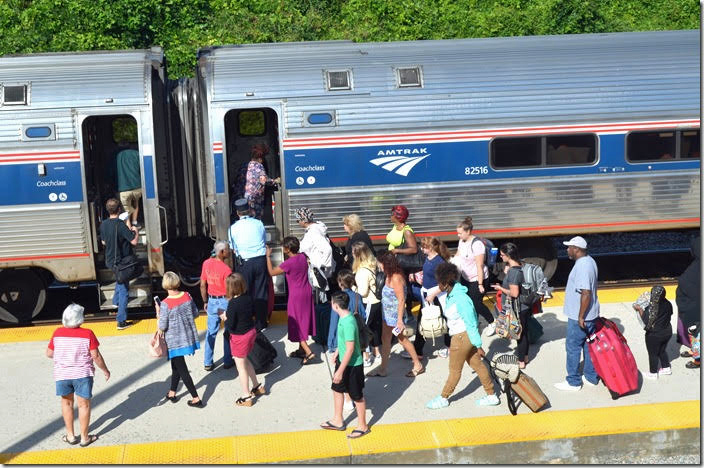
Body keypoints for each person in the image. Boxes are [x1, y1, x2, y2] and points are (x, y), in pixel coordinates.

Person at [426, 263, 499, 409]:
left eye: (439, 282)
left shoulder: (461, 299)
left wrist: (478, 345)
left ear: (446, 283)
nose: (437, 285)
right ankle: (491, 395)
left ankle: (444, 397)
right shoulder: (452, 293)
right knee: (478, 365)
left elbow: (472, 323)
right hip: (464, 337)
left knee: (454, 370)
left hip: (461, 338)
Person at [47, 303, 110, 447]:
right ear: (80, 319)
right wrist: (105, 370)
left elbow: (49, 353)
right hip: (82, 375)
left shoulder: (57, 333)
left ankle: (70, 436)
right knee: (84, 406)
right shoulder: (87, 333)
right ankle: (84, 438)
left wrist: (64, 356)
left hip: (63, 375)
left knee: (67, 403)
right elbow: (96, 356)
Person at [320, 291, 370, 439]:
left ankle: (363, 425)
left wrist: (340, 371)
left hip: (352, 365)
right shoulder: (343, 317)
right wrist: (336, 351)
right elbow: (343, 344)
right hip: (343, 361)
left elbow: (350, 349)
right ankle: (337, 420)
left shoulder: (348, 322)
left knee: (357, 395)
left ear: (335, 306)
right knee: (337, 389)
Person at [554, 236, 600, 391]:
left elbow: (586, 293)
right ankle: (590, 376)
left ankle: (573, 382)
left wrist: (580, 316)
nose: (567, 250)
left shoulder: (582, 266)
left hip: (580, 317)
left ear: (577, 249)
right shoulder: (590, 261)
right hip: (591, 315)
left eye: (569, 247)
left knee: (573, 348)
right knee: (589, 345)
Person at [367, 250, 424, 378]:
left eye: (380, 263)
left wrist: (399, 320)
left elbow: (402, 299)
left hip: (395, 317)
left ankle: (417, 364)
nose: (379, 265)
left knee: (402, 340)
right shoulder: (388, 274)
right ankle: (382, 369)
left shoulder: (396, 278)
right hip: (386, 315)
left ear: (386, 264)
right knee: (385, 340)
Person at [266, 237, 317, 364]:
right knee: (304, 320)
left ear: (288, 249)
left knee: (296, 322)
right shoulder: (303, 257)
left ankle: (308, 352)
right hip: (307, 292)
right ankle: (301, 350)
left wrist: (268, 257)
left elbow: (271, 272)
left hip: (296, 296)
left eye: (284, 246)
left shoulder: (288, 263)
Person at [157, 272, 203, 407]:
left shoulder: (165, 304)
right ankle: (172, 392)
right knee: (176, 366)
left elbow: (163, 326)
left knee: (182, 369)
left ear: (165, 285)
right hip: (188, 337)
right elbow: (195, 313)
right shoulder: (187, 296)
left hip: (174, 341)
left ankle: (196, 398)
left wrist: (158, 313)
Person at [404, 237, 451, 360]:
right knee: (422, 320)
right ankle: (418, 351)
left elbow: (446, 283)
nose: (421, 248)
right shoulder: (428, 259)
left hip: (436, 296)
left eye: (423, 247)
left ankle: (449, 347)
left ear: (430, 248)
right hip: (427, 294)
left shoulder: (439, 262)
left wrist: (433, 294)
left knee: (445, 320)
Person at [223, 273, 265, 407]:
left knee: (241, 367)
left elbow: (230, 325)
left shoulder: (233, 304)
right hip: (250, 332)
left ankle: (246, 396)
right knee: (246, 361)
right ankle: (257, 386)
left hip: (239, 337)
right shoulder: (248, 298)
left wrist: (225, 317)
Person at [228, 198, 270, 331]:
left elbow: (232, 248)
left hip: (244, 263)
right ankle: (261, 323)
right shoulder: (259, 223)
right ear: (249, 210)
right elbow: (263, 240)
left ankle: (247, 320)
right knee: (261, 291)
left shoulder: (233, 228)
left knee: (244, 292)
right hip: (260, 260)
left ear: (237, 212)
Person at [99, 198, 138, 330]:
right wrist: (135, 231)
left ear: (108, 210)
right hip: (122, 262)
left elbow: (103, 242)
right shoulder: (120, 225)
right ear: (119, 209)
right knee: (124, 291)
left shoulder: (103, 224)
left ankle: (115, 302)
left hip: (110, 261)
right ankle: (121, 321)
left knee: (119, 279)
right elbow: (133, 241)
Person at [491, 243, 531, 369]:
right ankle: (525, 357)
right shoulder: (521, 266)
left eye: (502, 255)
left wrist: (500, 288)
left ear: (508, 255)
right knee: (524, 332)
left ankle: (521, 362)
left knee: (519, 334)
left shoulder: (513, 273)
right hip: (525, 306)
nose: (501, 257)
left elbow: (514, 293)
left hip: (518, 308)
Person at [454, 217, 495, 335]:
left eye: (460, 233)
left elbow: (479, 265)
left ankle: (492, 322)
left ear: (468, 232)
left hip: (478, 278)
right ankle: (474, 322)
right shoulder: (462, 241)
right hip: (466, 277)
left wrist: (480, 284)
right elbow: (458, 254)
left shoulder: (477, 245)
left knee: (476, 303)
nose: (458, 236)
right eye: (458, 233)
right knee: (468, 302)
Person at [200, 241, 234, 371]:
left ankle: (208, 362)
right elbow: (229, 289)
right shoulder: (226, 269)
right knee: (228, 331)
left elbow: (203, 285)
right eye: (227, 250)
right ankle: (227, 360)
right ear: (221, 253)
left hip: (212, 301)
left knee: (211, 332)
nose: (229, 252)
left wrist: (205, 301)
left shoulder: (206, 263)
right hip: (224, 301)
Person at [351, 241, 382, 366]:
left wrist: (353, 288)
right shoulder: (373, 264)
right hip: (376, 302)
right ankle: (377, 353)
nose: (352, 254)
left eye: (353, 252)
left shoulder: (362, 271)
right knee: (374, 328)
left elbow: (363, 292)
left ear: (358, 255)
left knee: (363, 329)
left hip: (368, 302)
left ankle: (366, 357)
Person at [633, 285, 672, 380]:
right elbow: (670, 314)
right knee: (662, 350)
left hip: (655, 335)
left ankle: (653, 373)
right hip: (667, 331)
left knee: (653, 354)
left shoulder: (653, 308)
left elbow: (647, 321)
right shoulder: (668, 303)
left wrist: (640, 309)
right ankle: (666, 368)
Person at [387, 205, 420, 316]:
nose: (390, 216)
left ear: (398, 217)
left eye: (392, 214)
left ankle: (407, 313)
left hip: (401, 264)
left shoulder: (407, 231)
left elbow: (414, 249)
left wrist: (397, 251)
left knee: (402, 289)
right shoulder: (395, 227)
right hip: (393, 263)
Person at [676, 237, 700, 358]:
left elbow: (686, 288)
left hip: (694, 311)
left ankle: (697, 359)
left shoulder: (692, 271)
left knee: (696, 335)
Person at [297, 207, 335, 281]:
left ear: (304, 221)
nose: (297, 222)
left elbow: (327, 249)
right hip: (316, 270)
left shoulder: (314, 231)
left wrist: (323, 269)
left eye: (298, 220)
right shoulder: (311, 230)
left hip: (319, 272)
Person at [244, 143, 280, 219]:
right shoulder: (259, 165)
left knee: (250, 216)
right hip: (256, 197)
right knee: (256, 217)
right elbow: (264, 180)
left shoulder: (249, 164)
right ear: (260, 158)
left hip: (248, 196)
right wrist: (275, 181)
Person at [115, 144, 142, 229]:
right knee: (135, 204)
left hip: (123, 189)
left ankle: (128, 227)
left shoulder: (118, 156)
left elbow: (112, 171)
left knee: (126, 210)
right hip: (137, 186)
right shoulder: (137, 154)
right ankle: (135, 222)